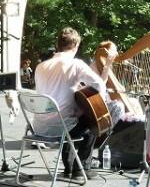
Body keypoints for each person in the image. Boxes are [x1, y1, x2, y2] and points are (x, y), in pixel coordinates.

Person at [34, 27, 106, 180]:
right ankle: (81, 169)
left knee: (69, 117)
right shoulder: (76, 64)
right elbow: (99, 85)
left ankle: (68, 166)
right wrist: (86, 101)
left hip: (40, 128)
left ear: (57, 45)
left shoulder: (40, 67)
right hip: (63, 128)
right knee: (92, 121)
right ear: (76, 46)